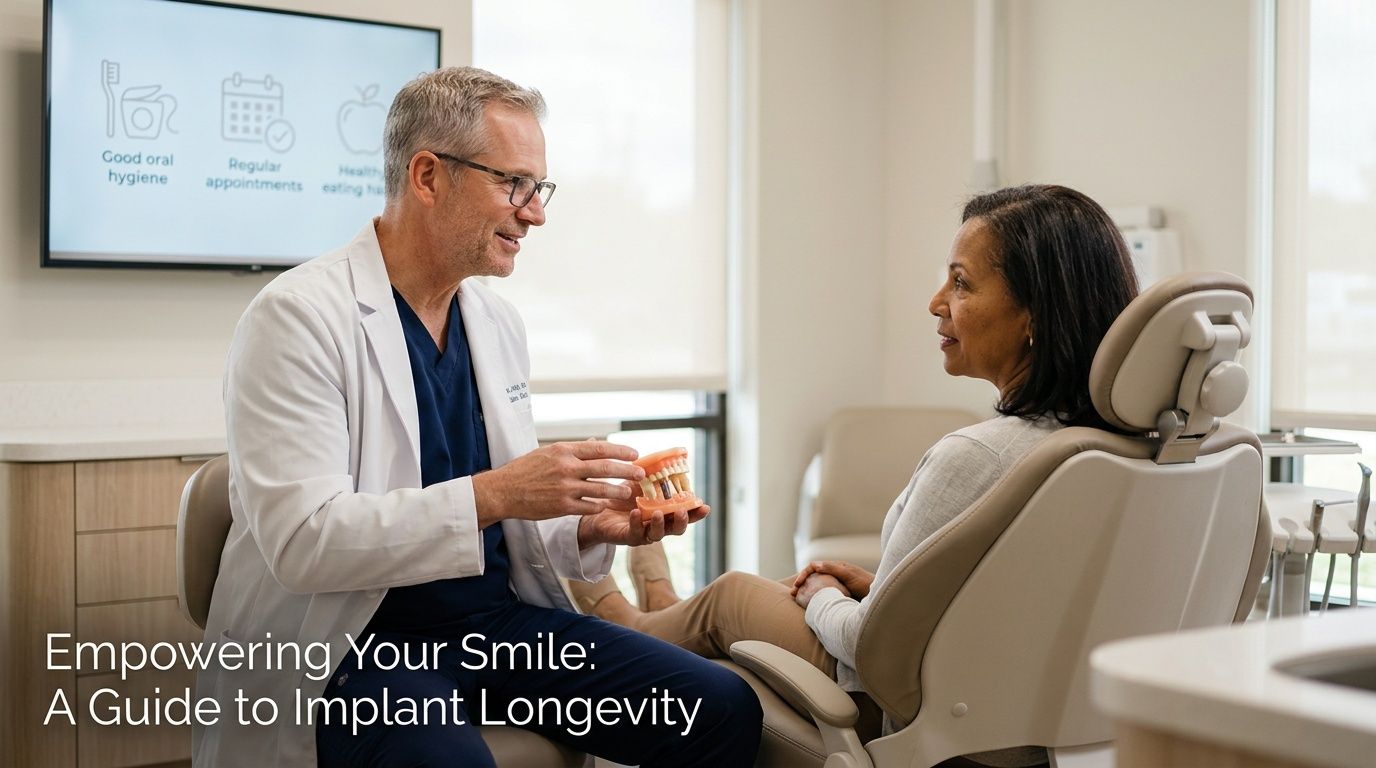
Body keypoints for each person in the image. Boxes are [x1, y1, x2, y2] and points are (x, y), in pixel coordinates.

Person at [196, 67, 761, 767]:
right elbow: (304, 542)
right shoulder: (298, 318)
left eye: (539, 188)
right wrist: (501, 492)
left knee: (720, 709)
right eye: (513, 183)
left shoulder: (494, 321)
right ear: (428, 176)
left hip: (490, 625)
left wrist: (586, 527)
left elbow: (505, 528)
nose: (536, 213)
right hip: (357, 642)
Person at [571, 183, 1139, 767]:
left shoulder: (980, 455)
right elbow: (1025, 597)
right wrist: (885, 586)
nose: (936, 302)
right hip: (1033, 714)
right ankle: (662, 605)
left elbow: (870, 650)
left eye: (961, 282)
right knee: (730, 609)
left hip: (913, 710)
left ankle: (627, 620)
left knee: (730, 596)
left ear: (1034, 317)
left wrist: (822, 596)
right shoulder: (1126, 455)